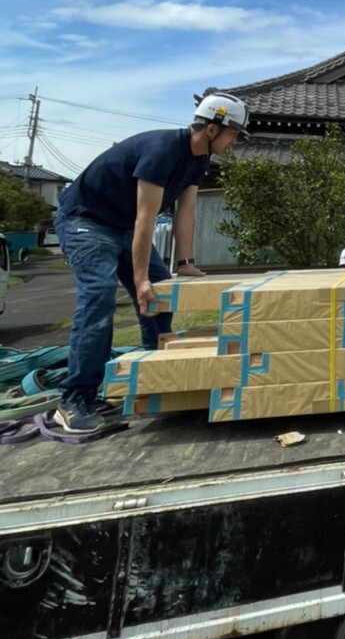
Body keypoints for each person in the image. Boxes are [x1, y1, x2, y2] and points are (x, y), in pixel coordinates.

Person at [51, 92, 250, 436]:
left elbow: (185, 212)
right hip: (86, 221)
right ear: (212, 129)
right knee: (99, 297)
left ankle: (150, 377)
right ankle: (74, 401)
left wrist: (185, 263)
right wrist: (140, 278)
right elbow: (146, 219)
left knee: (160, 296)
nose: (236, 142)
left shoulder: (199, 159)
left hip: (123, 226)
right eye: (234, 134)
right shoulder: (162, 151)